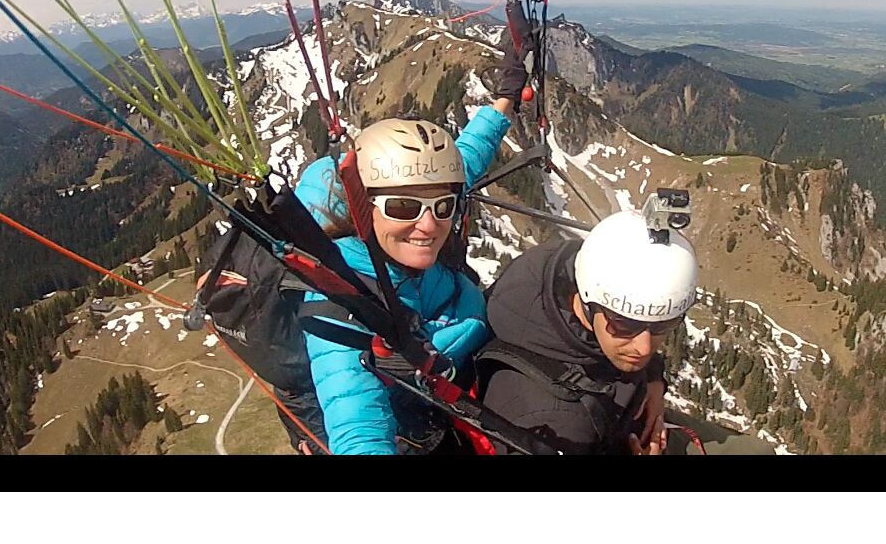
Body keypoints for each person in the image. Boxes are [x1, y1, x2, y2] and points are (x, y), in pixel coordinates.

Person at [278, 24, 530, 455]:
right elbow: (356, 420)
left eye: (443, 208)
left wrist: (506, 96)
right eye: (403, 209)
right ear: (362, 206)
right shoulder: (342, 301)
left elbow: (465, 157)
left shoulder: (420, 200)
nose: (429, 226)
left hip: (444, 366)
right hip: (412, 420)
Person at [477, 209, 699, 455]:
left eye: (663, 325)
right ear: (586, 302)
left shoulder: (568, 272)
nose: (645, 347)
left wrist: (653, 377)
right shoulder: (555, 422)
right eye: (624, 324)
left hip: (632, 418)